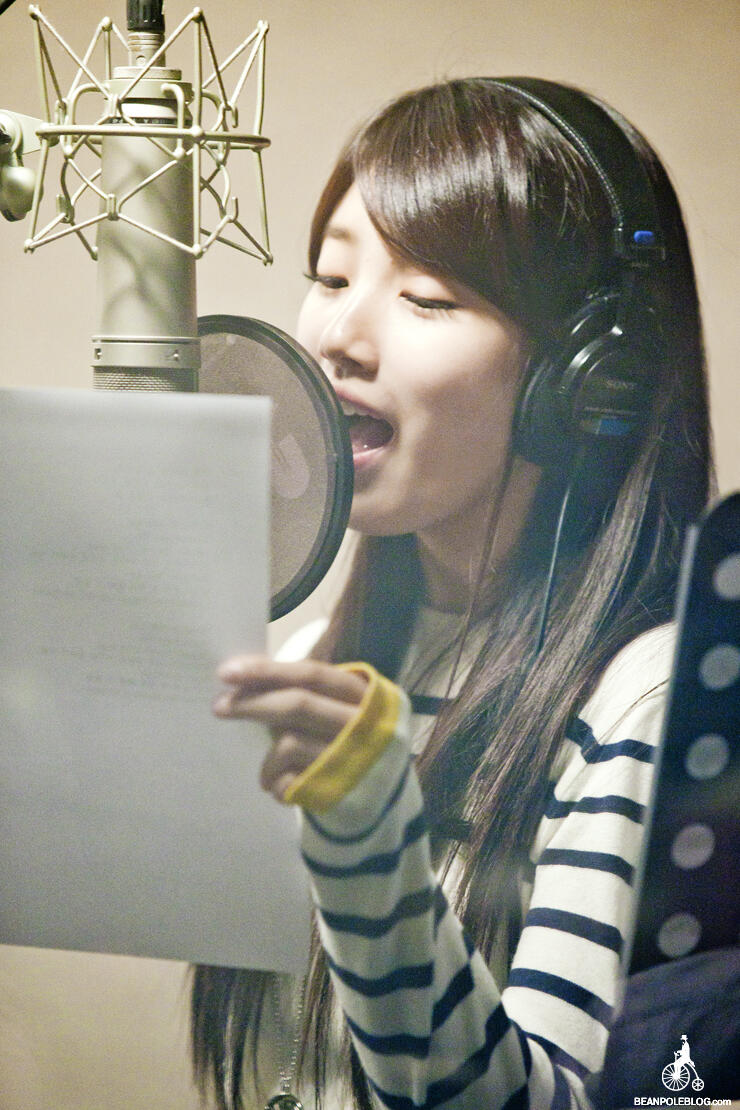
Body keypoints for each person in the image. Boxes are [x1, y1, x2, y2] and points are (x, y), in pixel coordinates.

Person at [190, 78, 712, 1110]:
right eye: (330, 276)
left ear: (585, 380)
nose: (337, 337)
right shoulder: (304, 671)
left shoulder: (648, 709)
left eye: (427, 297)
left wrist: (369, 851)